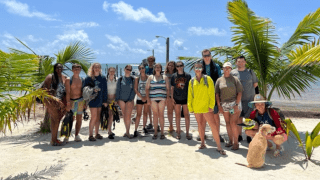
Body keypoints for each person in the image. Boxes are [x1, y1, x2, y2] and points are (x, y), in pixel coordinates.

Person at [188, 62, 226, 155]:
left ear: (202, 69)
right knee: (200, 125)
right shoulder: (192, 81)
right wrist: (190, 107)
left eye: (199, 68)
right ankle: (202, 143)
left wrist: (211, 106)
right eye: (196, 68)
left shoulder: (208, 79)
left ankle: (219, 146)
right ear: (194, 69)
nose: (198, 69)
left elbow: (211, 94)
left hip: (206, 107)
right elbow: (190, 95)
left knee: (212, 126)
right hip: (196, 107)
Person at [231, 55, 259, 143]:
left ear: (245, 62)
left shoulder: (250, 72)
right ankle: (239, 136)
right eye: (239, 61)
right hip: (237, 101)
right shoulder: (232, 73)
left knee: (248, 119)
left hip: (249, 100)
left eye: (242, 61)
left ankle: (248, 136)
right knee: (239, 118)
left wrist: (257, 99)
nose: (241, 63)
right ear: (236, 63)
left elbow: (255, 85)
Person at [215, 62, 243, 150]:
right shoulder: (219, 80)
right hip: (224, 105)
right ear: (222, 69)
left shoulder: (235, 79)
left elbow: (240, 92)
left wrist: (236, 105)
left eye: (229, 68)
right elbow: (217, 94)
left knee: (233, 123)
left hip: (234, 104)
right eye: (225, 68)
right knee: (227, 123)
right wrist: (219, 106)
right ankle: (230, 141)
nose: (227, 69)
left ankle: (236, 143)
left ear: (231, 69)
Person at [200, 49, 224, 143]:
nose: (206, 57)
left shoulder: (216, 66)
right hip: (203, 95)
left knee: (215, 115)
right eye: (204, 56)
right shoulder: (200, 66)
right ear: (202, 57)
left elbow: (220, 80)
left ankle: (217, 134)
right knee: (204, 115)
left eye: (208, 55)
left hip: (214, 94)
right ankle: (202, 133)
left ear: (211, 56)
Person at [43, 63, 68, 146]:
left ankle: (54, 139)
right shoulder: (50, 77)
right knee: (56, 119)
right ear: (54, 68)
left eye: (61, 67)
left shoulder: (64, 77)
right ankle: (53, 140)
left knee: (56, 120)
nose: (59, 69)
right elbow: (45, 91)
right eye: (57, 67)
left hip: (61, 102)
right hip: (51, 101)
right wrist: (55, 100)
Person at [83, 63, 108, 141]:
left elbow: (105, 90)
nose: (97, 68)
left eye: (98, 67)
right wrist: (84, 102)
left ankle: (97, 134)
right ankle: (90, 135)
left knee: (98, 118)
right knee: (93, 117)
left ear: (100, 68)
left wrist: (105, 101)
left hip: (100, 100)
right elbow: (84, 91)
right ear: (92, 68)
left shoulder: (103, 78)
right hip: (92, 100)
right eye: (95, 67)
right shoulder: (88, 78)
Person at [146, 63, 170, 140]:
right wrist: (148, 99)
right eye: (156, 67)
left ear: (161, 68)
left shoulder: (164, 77)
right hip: (153, 99)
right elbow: (147, 88)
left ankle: (162, 132)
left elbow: (168, 89)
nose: (157, 68)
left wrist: (167, 99)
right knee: (155, 115)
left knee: (161, 115)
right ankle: (155, 132)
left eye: (159, 67)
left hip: (162, 98)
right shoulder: (150, 77)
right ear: (154, 68)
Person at [171, 61, 192, 140]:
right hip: (176, 98)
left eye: (181, 65)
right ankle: (178, 132)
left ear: (183, 66)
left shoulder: (188, 76)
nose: (179, 67)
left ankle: (187, 133)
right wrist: (172, 98)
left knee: (187, 115)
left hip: (186, 98)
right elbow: (172, 87)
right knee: (177, 115)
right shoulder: (174, 76)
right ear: (176, 67)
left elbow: (190, 88)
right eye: (178, 66)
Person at [65, 64, 85, 143]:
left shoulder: (82, 79)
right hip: (71, 101)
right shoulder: (68, 79)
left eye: (78, 69)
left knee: (79, 118)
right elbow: (68, 92)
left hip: (80, 101)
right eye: (75, 69)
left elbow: (83, 92)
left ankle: (76, 135)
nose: (77, 70)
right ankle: (67, 136)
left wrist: (84, 103)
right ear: (72, 70)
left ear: (80, 70)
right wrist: (68, 103)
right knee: (70, 119)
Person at [116, 65, 136, 139]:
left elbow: (134, 90)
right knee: (125, 115)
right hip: (121, 99)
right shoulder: (120, 79)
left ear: (131, 71)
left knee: (128, 115)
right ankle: (127, 131)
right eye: (127, 69)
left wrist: (131, 99)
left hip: (129, 100)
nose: (128, 70)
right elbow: (117, 90)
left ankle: (127, 131)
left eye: (129, 70)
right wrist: (117, 99)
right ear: (124, 69)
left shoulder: (133, 79)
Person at [133, 64, 149, 136]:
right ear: (139, 70)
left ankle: (144, 127)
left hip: (147, 98)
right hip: (139, 98)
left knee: (145, 113)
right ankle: (135, 129)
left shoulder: (148, 77)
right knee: (138, 114)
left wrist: (146, 97)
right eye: (140, 68)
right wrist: (142, 97)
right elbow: (136, 89)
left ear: (145, 69)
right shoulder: (137, 78)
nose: (142, 69)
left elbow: (150, 88)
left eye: (143, 68)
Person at [164, 61, 176, 133]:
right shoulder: (165, 74)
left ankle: (177, 126)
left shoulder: (176, 74)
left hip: (176, 95)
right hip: (168, 95)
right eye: (169, 65)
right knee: (170, 110)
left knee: (176, 111)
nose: (170, 67)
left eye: (172, 65)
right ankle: (171, 125)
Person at [106, 67, 117, 139]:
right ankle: (109, 131)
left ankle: (109, 131)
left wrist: (116, 100)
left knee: (111, 116)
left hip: (113, 100)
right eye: (111, 71)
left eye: (113, 71)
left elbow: (117, 90)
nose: (112, 72)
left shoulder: (116, 80)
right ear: (108, 71)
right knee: (108, 116)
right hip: (107, 100)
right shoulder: (105, 80)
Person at [144, 56, 155, 129]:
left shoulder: (155, 68)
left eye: (152, 61)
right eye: (149, 61)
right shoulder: (145, 68)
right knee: (148, 108)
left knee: (155, 108)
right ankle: (150, 122)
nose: (150, 62)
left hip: (154, 89)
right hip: (147, 89)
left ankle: (156, 123)